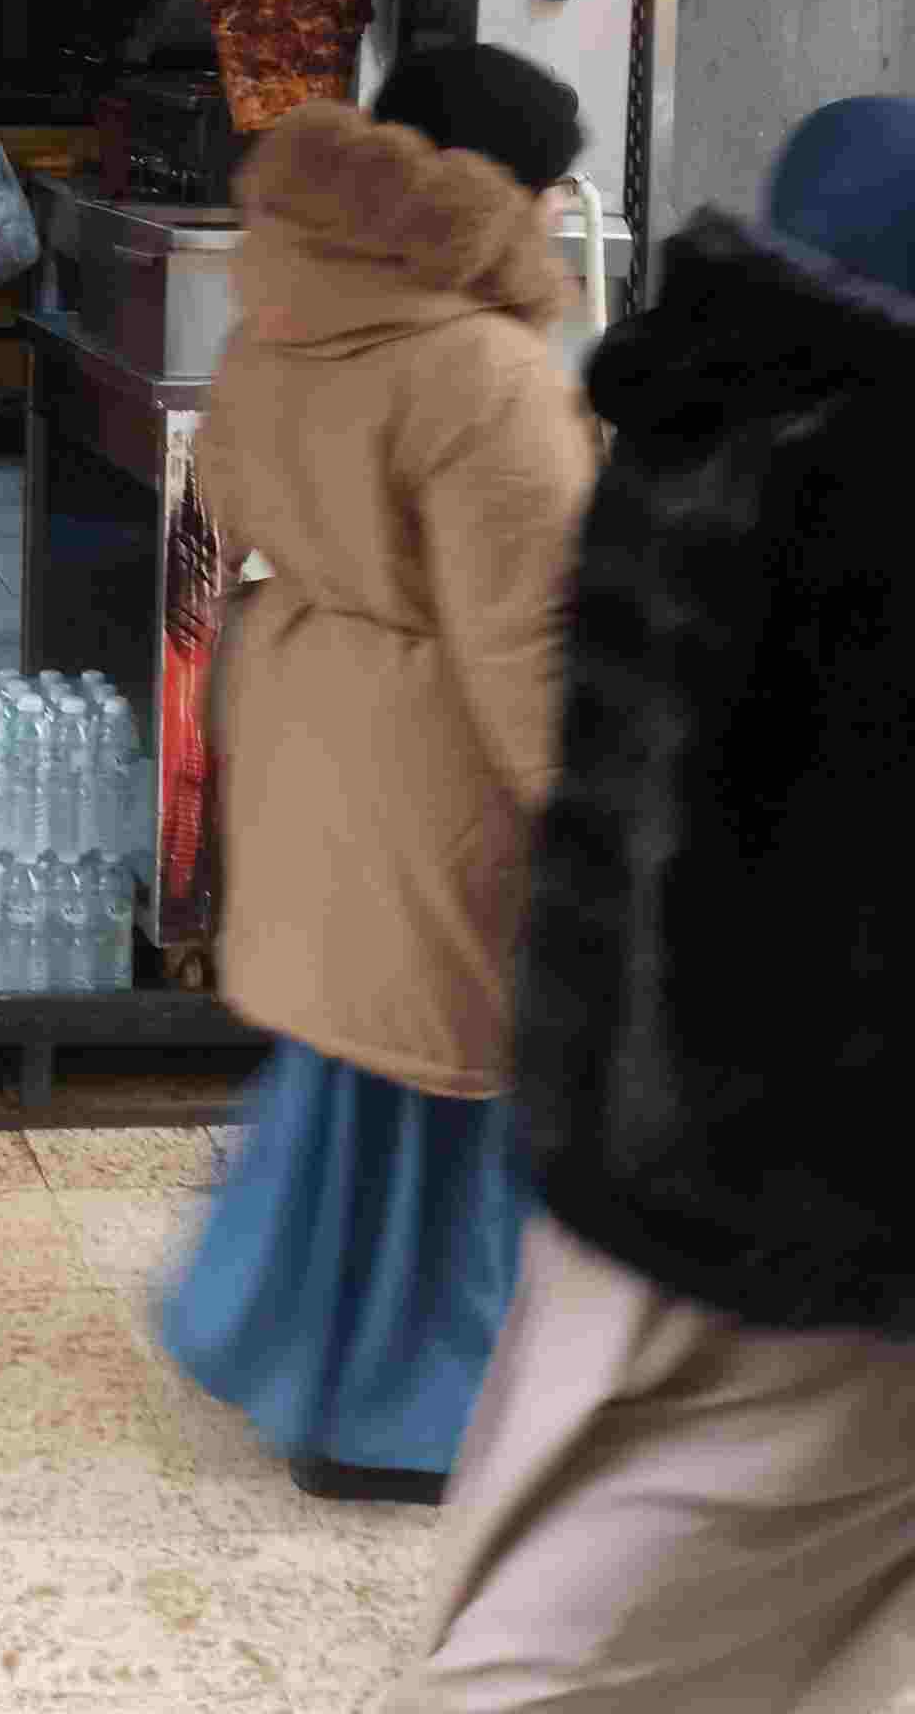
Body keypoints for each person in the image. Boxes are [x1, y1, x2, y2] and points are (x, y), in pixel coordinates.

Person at [398, 99, 915, 1710]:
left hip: (644, 1153)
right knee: (583, 1645)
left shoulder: (706, 418)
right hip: (821, 1213)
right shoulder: (865, 488)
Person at [157, 45, 594, 1505]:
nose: (559, 214)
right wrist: (591, 813)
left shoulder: (285, 307)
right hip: (438, 756)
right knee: (444, 1082)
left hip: (308, 708)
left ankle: (272, 1340)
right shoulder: (485, 367)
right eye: (550, 186)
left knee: (350, 1064)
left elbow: (221, 497)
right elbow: (527, 635)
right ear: (500, 191)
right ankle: (401, 1421)